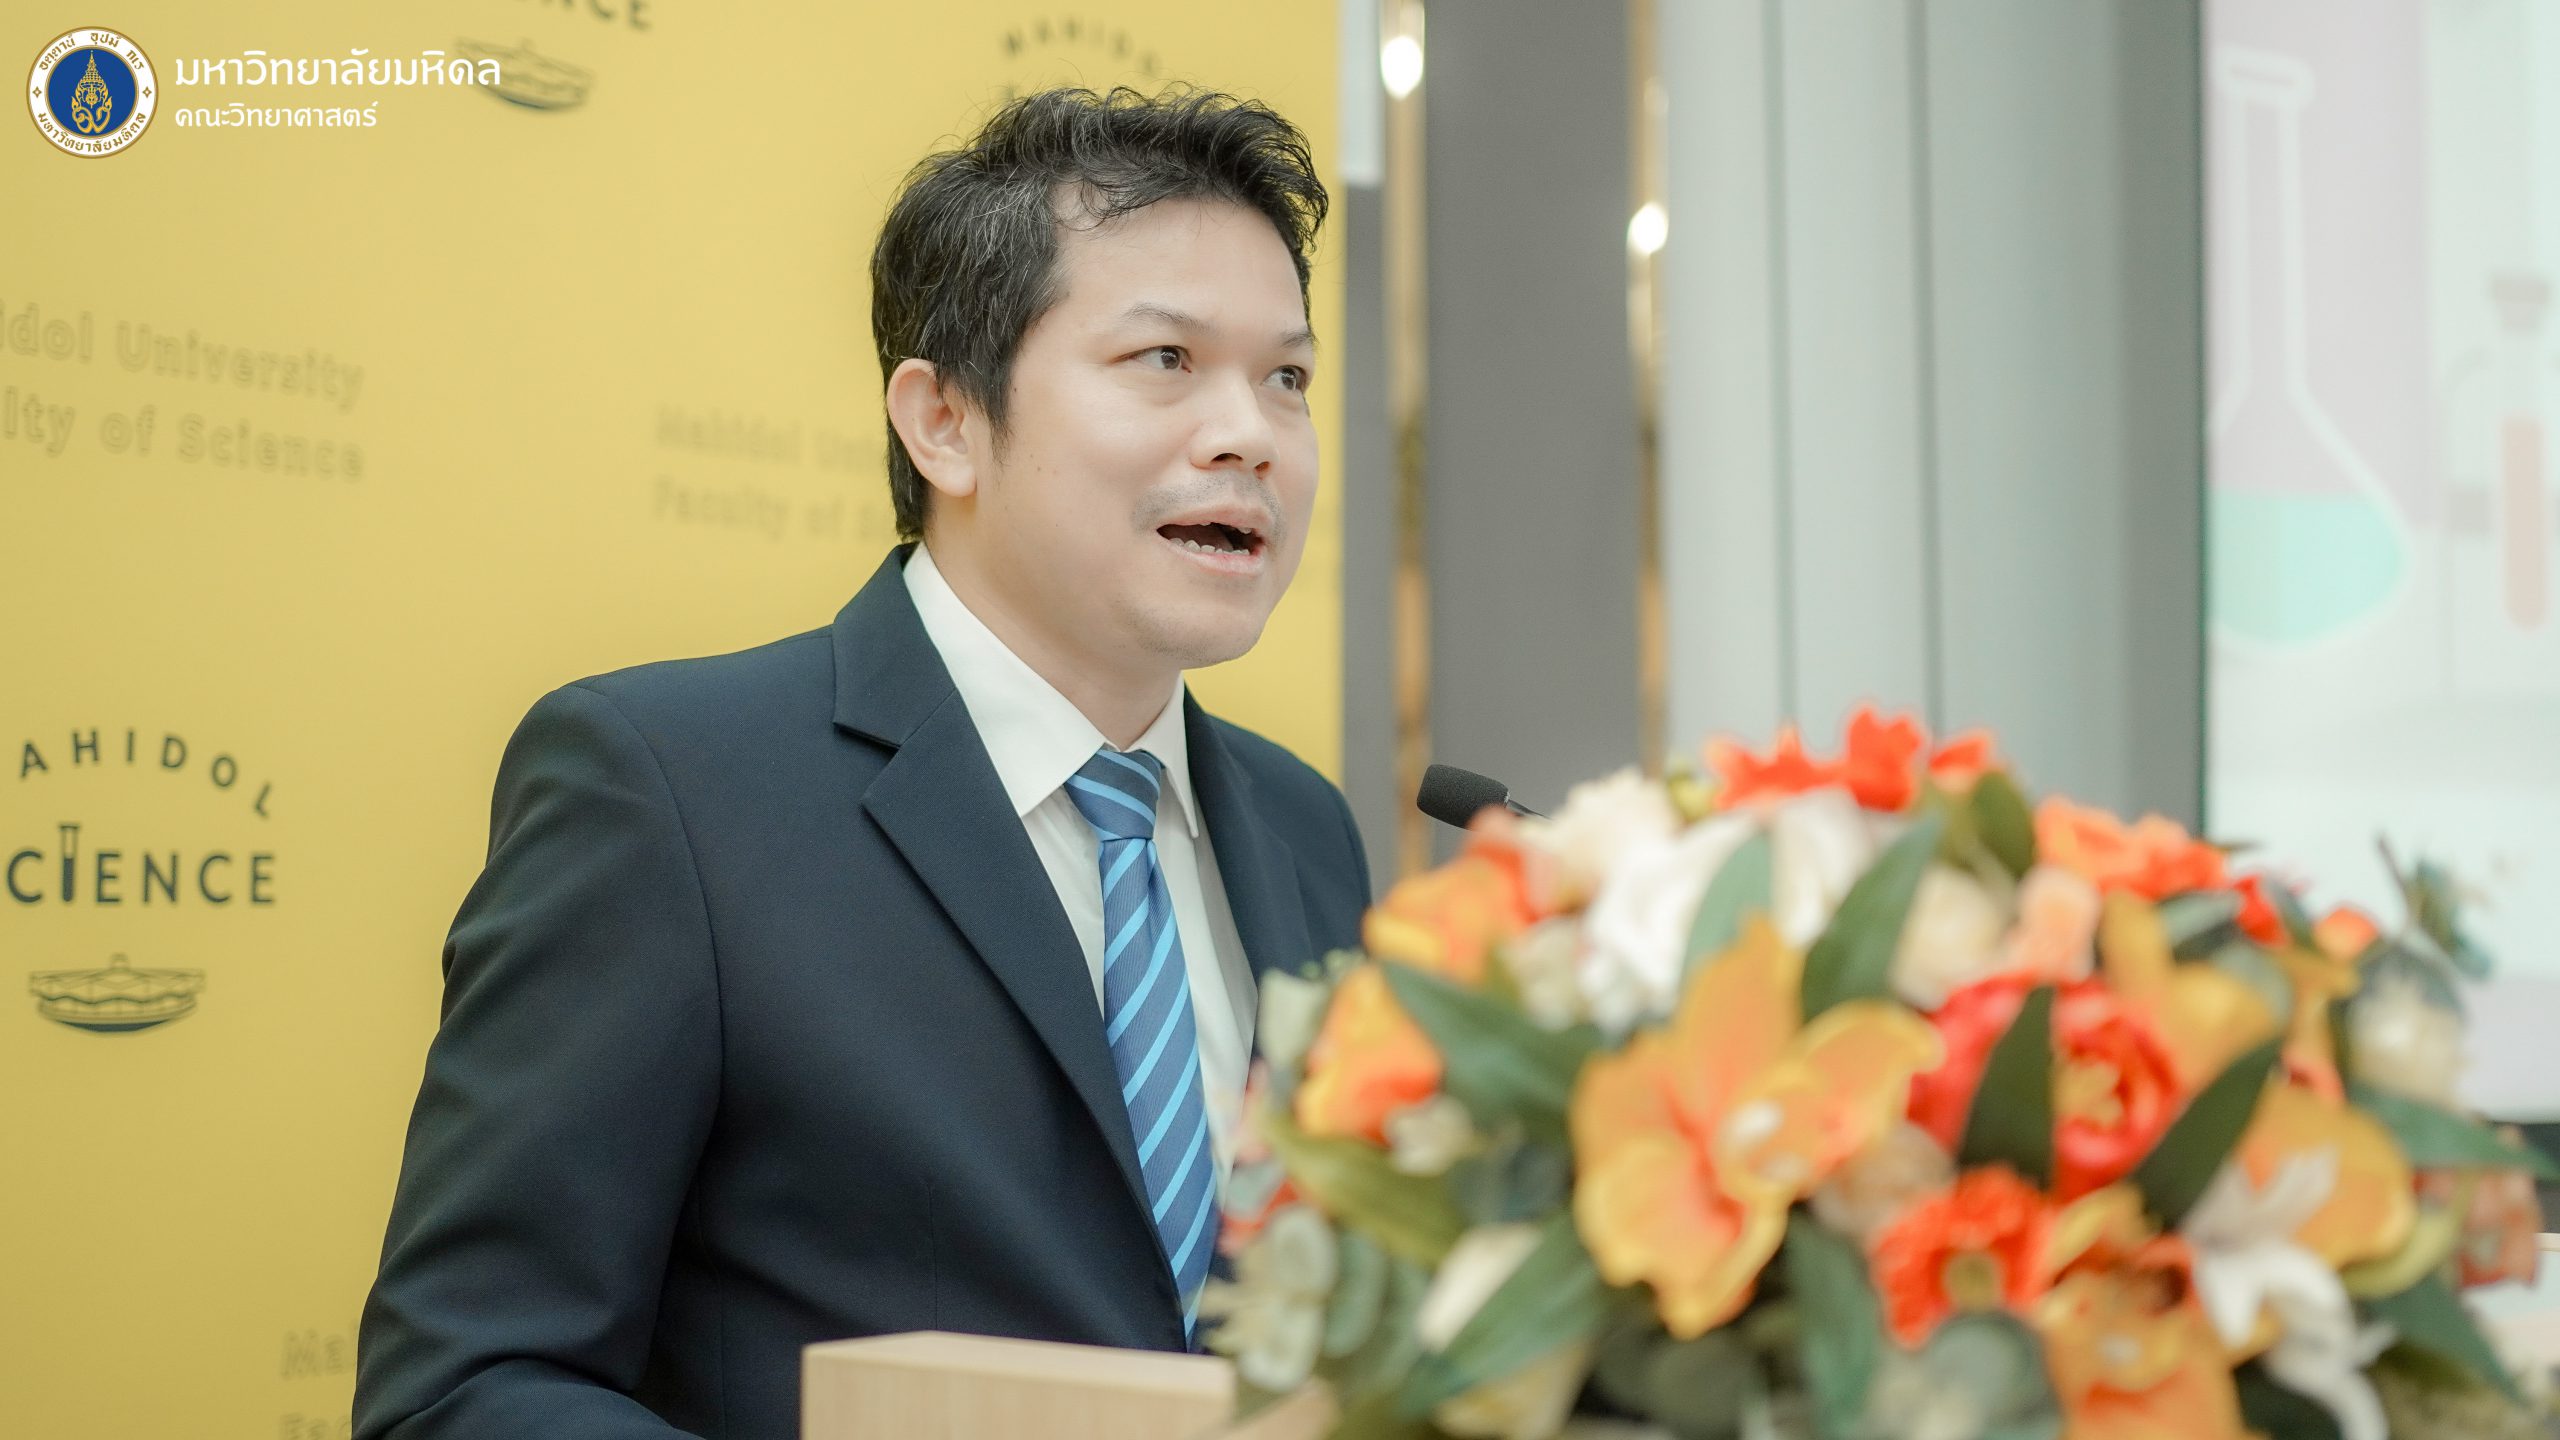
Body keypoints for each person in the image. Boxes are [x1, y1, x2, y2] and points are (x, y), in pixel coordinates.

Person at [353, 85, 1369, 1440]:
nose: (1248, 433)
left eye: (1287, 378)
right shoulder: (669, 792)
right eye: (1165, 359)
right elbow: (466, 1387)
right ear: (943, 420)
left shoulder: (1307, 830)